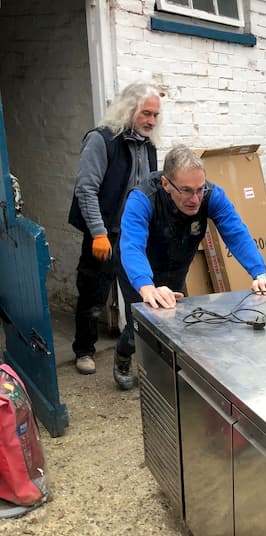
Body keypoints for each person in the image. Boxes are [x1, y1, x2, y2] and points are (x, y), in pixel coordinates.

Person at [115, 144, 266, 390]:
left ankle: (167, 373)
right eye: (187, 191)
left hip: (176, 262)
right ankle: (124, 355)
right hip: (138, 266)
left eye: (199, 190)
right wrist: (146, 286)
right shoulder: (143, 198)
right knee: (141, 320)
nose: (195, 199)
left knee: (174, 317)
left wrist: (258, 272)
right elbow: (132, 245)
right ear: (166, 183)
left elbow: (236, 232)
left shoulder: (211, 195)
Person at [68, 82, 162, 375]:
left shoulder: (148, 146)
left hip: (133, 235)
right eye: (146, 113)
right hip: (104, 231)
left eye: (155, 115)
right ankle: (84, 350)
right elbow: (86, 189)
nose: (151, 121)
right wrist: (97, 232)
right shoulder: (102, 140)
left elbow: (149, 189)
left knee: (139, 291)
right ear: (128, 109)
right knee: (93, 292)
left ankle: (136, 347)